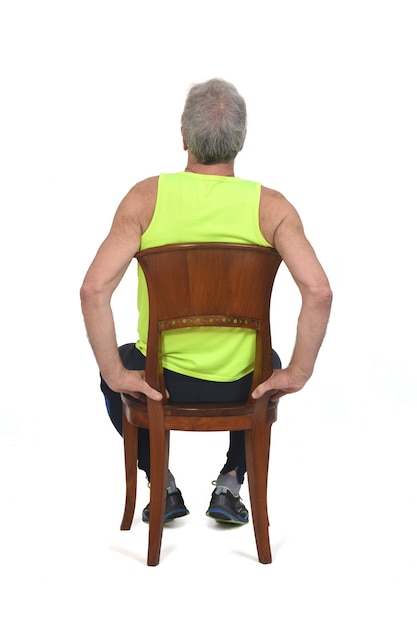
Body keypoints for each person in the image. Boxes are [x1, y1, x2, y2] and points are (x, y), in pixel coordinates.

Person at [80, 78, 332, 526]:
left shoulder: (145, 199)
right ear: (240, 142)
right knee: (267, 362)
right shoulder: (273, 208)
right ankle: (232, 482)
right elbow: (319, 291)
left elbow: (93, 290)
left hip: (161, 381)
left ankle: (163, 483)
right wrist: (297, 373)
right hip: (242, 386)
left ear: (184, 138)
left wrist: (117, 374)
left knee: (109, 372)